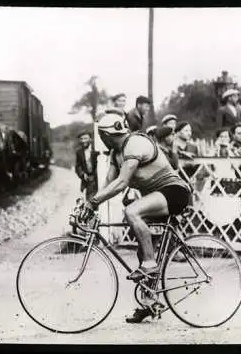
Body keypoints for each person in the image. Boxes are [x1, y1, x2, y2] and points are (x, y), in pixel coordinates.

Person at [84, 113, 191, 323]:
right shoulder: (116, 154)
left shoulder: (135, 144)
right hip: (157, 197)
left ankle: (151, 264)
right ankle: (148, 303)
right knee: (144, 249)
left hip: (175, 192)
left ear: (105, 135)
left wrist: (93, 202)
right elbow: (108, 185)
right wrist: (90, 203)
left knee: (132, 211)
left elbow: (122, 183)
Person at [75, 131, 98, 204]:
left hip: (97, 179)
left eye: (85, 138)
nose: (83, 141)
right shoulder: (79, 152)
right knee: (88, 201)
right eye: (81, 139)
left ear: (90, 139)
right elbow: (78, 166)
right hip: (87, 181)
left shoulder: (96, 150)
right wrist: (82, 174)